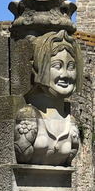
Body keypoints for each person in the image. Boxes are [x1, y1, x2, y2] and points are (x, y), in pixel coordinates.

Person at [14, 29, 83, 166]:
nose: (65, 75)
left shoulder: (71, 122)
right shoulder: (28, 115)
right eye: (57, 66)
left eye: (71, 67)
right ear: (40, 68)